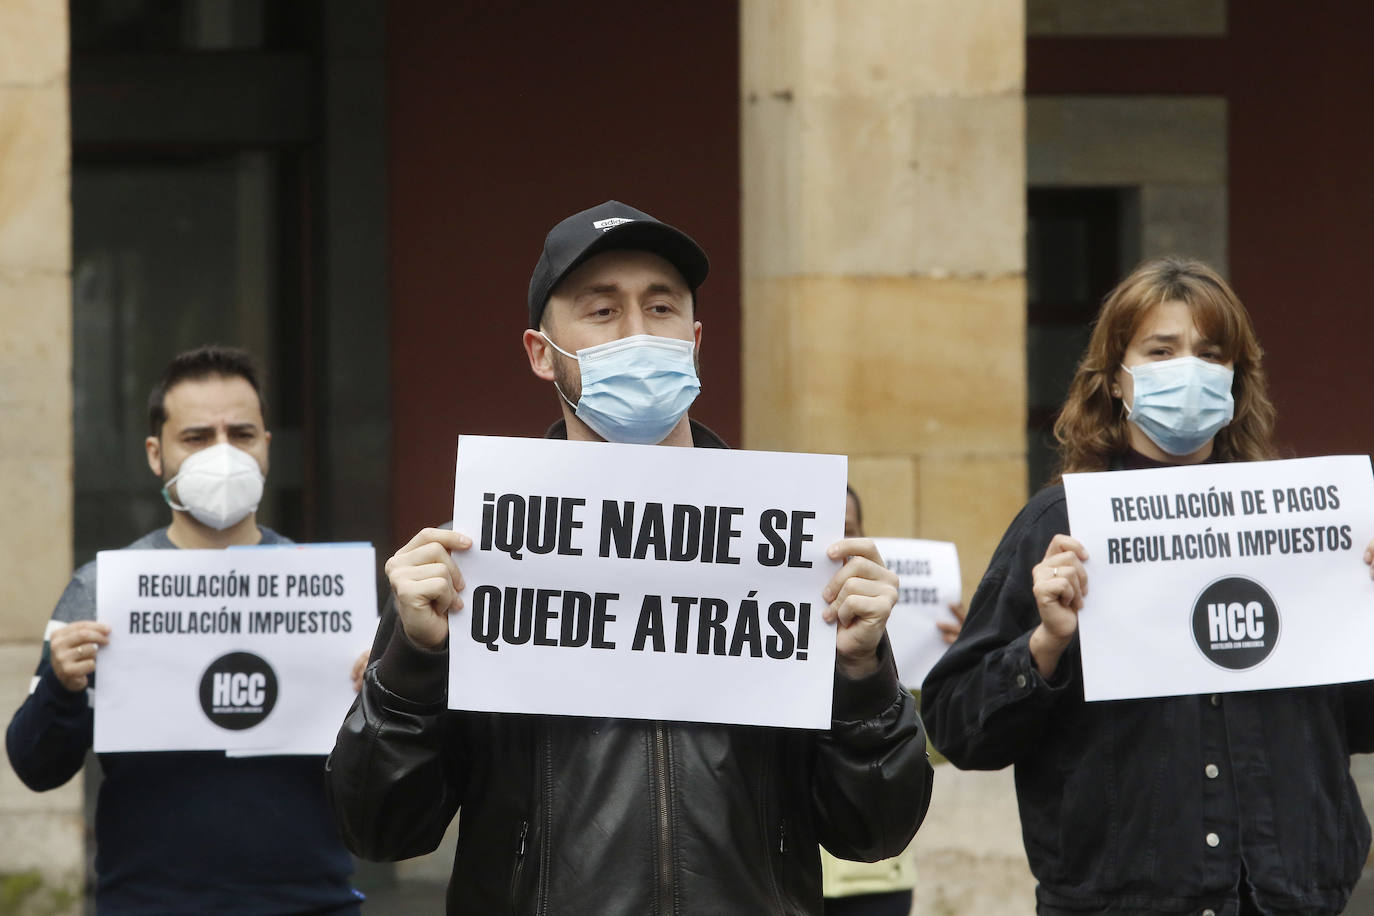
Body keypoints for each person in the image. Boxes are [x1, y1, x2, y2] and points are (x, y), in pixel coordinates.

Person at [327, 200, 934, 914]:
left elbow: (876, 831)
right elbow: (379, 828)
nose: (640, 335)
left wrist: (862, 680)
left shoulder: (795, 559)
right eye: (603, 311)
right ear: (540, 351)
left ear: (696, 338)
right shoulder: (468, 566)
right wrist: (411, 674)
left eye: (661, 307)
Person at [921, 257, 1374, 914]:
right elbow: (958, 726)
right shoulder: (1060, 526)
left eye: (1210, 354)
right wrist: (1044, 645)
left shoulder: (1309, 525)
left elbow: (1355, 723)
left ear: (1236, 379)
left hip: (1287, 897)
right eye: (1161, 351)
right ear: (1115, 378)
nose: (1187, 370)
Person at [6, 345, 365, 914]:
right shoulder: (102, 591)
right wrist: (60, 684)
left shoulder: (327, 594)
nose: (222, 455)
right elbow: (34, 765)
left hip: (309, 902)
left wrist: (379, 697)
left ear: (266, 447)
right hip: (148, 903)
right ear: (157, 454)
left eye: (242, 434)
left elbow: (374, 779)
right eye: (197, 438)